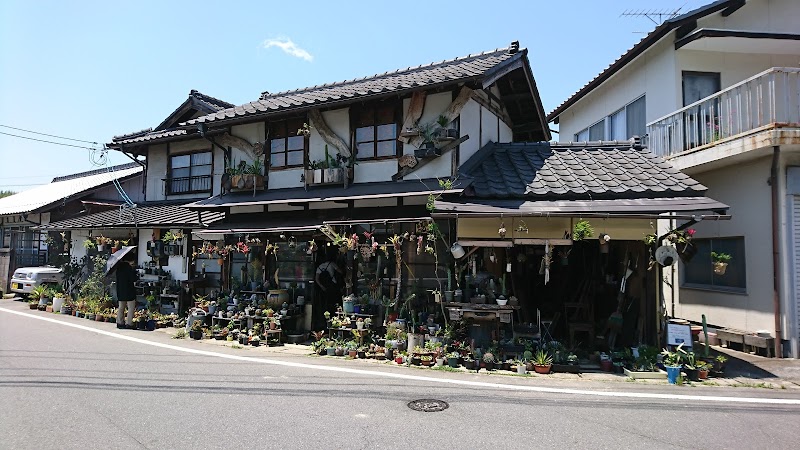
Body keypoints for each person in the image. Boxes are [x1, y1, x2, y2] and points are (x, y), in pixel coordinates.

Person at [314, 250, 343, 329]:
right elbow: (340, 271)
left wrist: (322, 286)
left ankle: (325, 321)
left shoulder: (319, 266)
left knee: (325, 304)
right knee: (334, 302)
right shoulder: (332, 264)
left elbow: (316, 279)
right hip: (333, 286)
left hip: (323, 288)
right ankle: (334, 318)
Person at [115, 252, 138, 329]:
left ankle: (120, 322)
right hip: (129, 290)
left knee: (121, 307)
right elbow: (133, 279)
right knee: (131, 307)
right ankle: (129, 323)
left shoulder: (119, 267)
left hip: (120, 290)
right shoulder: (128, 268)